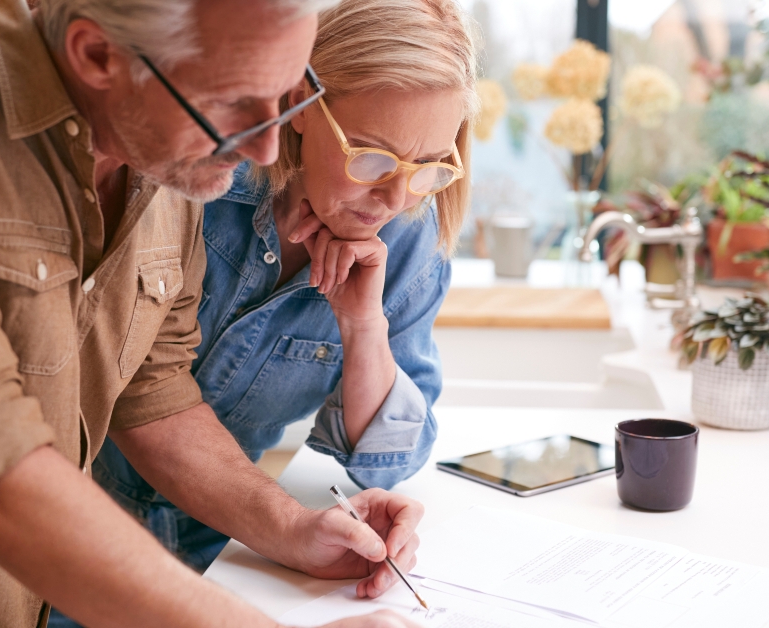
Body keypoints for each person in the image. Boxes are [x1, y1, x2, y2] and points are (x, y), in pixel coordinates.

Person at [0, 0, 423, 626]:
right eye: (233, 102)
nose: (267, 150)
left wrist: (292, 528)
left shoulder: (163, 151)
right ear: (96, 54)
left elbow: (153, 388)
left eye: (287, 96)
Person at [89, 0, 478, 584]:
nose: (396, 198)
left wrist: (364, 326)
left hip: (227, 546)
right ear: (299, 101)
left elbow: (386, 462)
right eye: (371, 157)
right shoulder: (198, 178)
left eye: (428, 166)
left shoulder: (409, 244)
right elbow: (135, 387)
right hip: (77, 520)